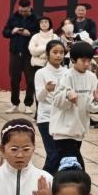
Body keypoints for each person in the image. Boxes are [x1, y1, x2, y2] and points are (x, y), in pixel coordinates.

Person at [48, 41, 98, 175]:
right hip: (63, 129)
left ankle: (50, 182)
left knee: (58, 162)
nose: (87, 64)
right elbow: (56, 101)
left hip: (79, 129)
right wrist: (68, 96)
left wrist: (97, 99)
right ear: (73, 60)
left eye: (89, 61)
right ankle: (83, 188)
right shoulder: (66, 76)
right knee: (74, 162)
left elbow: (91, 108)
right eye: (83, 61)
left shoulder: (91, 77)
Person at [35, 40, 67, 175]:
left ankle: (52, 183)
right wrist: (47, 89)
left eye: (61, 52)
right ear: (48, 54)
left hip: (63, 117)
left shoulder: (67, 72)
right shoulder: (41, 73)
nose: (58, 55)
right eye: (55, 52)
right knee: (53, 153)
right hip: (46, 118)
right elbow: (39, 98)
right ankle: (41, 180)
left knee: (61, 154)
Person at [2, 0, 39, 114]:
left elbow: (40, 33)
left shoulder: (35, 18)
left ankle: (28, 104)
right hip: (15, 52)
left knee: (30, 80)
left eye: (25, 11)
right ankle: (15, 103)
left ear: (29, 8)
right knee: (14, 79)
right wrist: (12, 31)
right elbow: (5, 32)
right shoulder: (13, 17)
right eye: (21, 10)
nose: (23, 12)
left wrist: (30, 34)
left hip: (29, 53)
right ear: (19, 7)